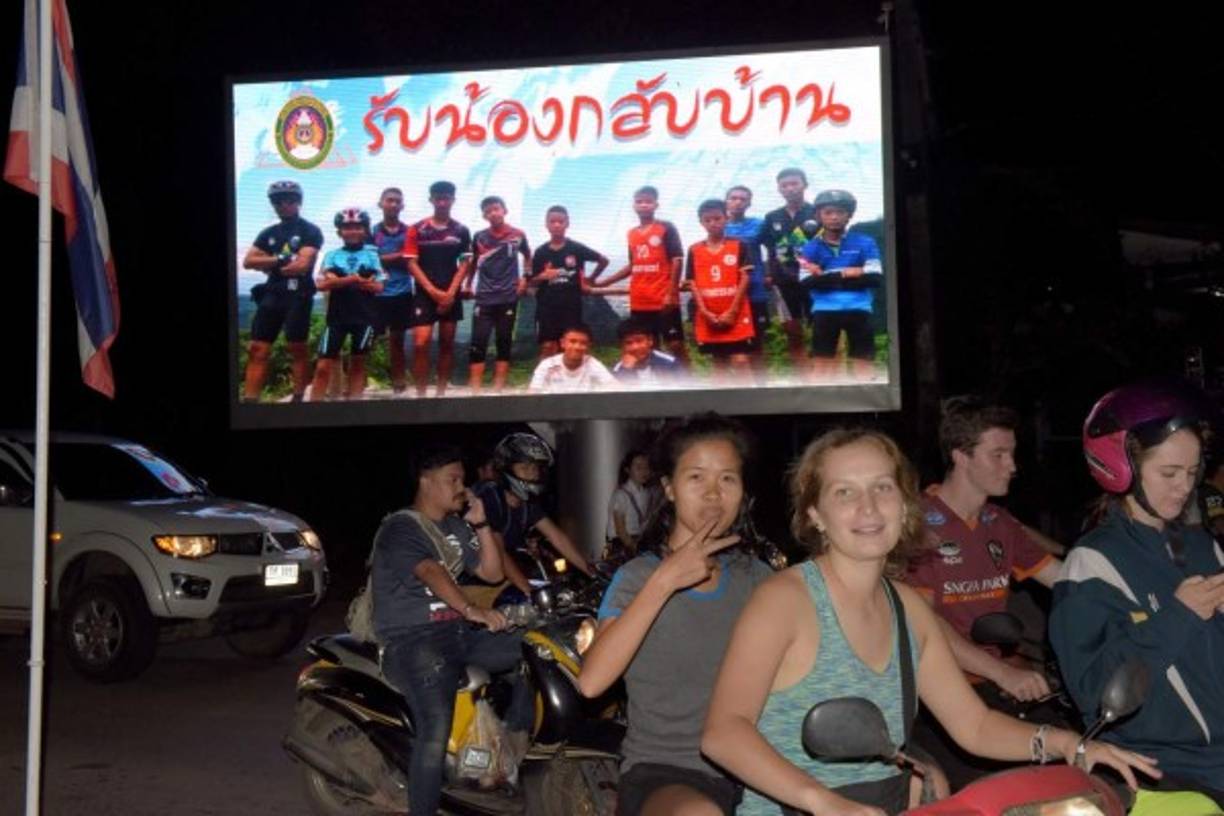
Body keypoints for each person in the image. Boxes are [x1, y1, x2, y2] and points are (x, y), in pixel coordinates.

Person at [702, 428, 1160, 816]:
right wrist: (822, 802)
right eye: (845, 493)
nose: (868, 507)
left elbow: (974, 725)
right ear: (816, 515)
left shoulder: (907, 607)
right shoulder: (784, 600)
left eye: (883, 488)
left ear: (904, 506)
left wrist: (1069, 745)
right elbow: (724, 732)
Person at [579, 414, 777, 816]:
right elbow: (592, 683)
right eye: (696, 478)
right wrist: (664, 581)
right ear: (668, 488)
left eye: (727, 479)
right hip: (668, 773)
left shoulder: (758, 578)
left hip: (757, 766)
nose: (712, 494)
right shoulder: (639, 577)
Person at [1050, 382, 1224, 806]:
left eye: (1191, 472)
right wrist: (1178, 615)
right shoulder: (1092, 563)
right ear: (1121, 465)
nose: (1184, 487)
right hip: (1166, 775)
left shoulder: (1203, 545)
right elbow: (1094, 691)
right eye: (1169, 473)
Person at [904, 396, 1067, 787]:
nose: (1012, 466)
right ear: (961, 456)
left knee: (1069, 768)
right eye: (999, 454)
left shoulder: (1000, 522)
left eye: (1012, 454)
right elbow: (923, 625)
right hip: (936, 697)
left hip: (996, 688)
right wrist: (1002, 672)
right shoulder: (917, 526)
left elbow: (1068, 580)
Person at [371, 443, 532, 816]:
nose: (462, 486)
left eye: (463, 478)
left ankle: (510, 741)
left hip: (457, 634)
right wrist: (471, 608)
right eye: (453, 479)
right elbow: (430, 571)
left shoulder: (457, 526)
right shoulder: (401, 526)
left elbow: (492, 572)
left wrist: (480, 522)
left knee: (535, 647)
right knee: (434, 730)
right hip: (413, 640)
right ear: (426, 482)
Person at [470, 432, 594, 598]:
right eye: (525, 468)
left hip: (502, 577)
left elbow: (557, 537)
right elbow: (499, 551)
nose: (532, 474)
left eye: (535, 468)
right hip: (477, 583)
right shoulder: (491, 498)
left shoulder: (527, 503)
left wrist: (592, 572)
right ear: (506, 467)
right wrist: (529, 590)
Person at [241, 180, 323, 402]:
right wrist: (280, 259)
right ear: (273, 204)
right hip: (272, 294)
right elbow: (248, 261)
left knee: (296, 347)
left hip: (298, 295)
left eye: (290, 200)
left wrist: (267, 263)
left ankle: (298, 398)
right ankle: (250, 402)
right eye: (278, 201)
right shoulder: (268, 232)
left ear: (299, 202)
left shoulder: (310, 230)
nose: (284, 204)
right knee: (257, 348)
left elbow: (301, 266)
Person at [591, 186, 688, 365]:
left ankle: (688, 382)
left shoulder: (666, 227)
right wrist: (602, 283)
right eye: (639, 201)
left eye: (648, 201)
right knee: (650, 347)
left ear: (656, 205)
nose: (644, 205)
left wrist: (672, 293)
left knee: (675, 344)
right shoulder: (632, 233)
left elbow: (677, 260)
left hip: (663, 299)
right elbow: (633, 265)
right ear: (634, 205)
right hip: (640, 300)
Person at [798, 189, 884, 380]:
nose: (834, 217)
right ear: (819, 215)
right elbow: (805, 282)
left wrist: (825, 276)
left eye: (840, 212)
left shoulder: (865, 242)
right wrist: (848, 273)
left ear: (849, 215)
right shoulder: (810, 247)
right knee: (822, 367)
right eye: (828, 212)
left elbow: (875, 278)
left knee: (864, 365)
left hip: (859, 309)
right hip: (824, 310)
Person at [405, 181, 472, 397]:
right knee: (421, 344)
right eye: (438, 197)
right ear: (431, 200)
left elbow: (465, 263)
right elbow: (411, 263)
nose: (442, 202)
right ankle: (421, 395)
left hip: (451, 294)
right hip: (425, 294)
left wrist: (451, 293)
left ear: (453, 200)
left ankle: (441, 394)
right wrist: (433, 292)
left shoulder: (461, 230)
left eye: (447, 197)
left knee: (446, 345)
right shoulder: (417, 229)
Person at [309, 208, 383, 401]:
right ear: (339, 231)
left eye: (357, 227)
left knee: (357, 364)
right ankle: (311, 410)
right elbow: (321, 284)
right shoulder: (331, 255)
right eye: (347, 227)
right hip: (337, 318)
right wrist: (355, 279)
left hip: (364, 316)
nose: (352, 231)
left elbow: (379, 287)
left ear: (365, 231)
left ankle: (354, 408)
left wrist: (338, 279)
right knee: (323, 365)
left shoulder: (372, 255)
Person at [685, 199, 756, 379]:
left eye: (717, 218)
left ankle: (750, 404)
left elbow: (745, 278)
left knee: (740, 361)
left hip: (736, 312)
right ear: (701, 222)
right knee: (719, 362)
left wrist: (732, 311)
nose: (713, 223)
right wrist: (704, 312)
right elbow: (692, 283)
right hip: (709, 314)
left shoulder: (739, 245)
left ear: (726, 218)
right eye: (707, 220)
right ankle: (721, 404)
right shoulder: (694, 250)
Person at [466, 196, 531, 392]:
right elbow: (472, 263)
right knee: (478, 343)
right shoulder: (479, 237)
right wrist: (468, 284)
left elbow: (528, 256)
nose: (493, 213)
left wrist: (525, 279)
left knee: (504, 343)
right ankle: (475, 392)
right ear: (484, 215)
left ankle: (497, 390)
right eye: (488, 211)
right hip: (484, 298)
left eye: (496, 209)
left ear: (504, 210)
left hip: (508, 298)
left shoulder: (518, 235)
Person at [529, 205, 609, 359]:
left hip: (571, 305)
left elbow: (603, 260)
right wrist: (542, 276)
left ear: (567, 223)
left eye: (561, 221)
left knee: (569, 346)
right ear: (546, 224)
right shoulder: (540, 251)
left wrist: (590, 279)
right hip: (546, 306)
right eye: (552, 221)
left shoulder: (576, 248)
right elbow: (532, 281)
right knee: (547, 346)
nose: (557, 225)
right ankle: (543, 380)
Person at [762, 168, 815, 365]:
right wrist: (768, 273)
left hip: (814, 279)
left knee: (822, 329)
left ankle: (826, 376)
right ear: (779, 189)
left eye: (794, 183)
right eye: (785, 185)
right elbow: (768, 247)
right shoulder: (772, 217)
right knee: (793, 331)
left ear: (805, 185)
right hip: (783, 281)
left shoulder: (818, 212)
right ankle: (803, 378)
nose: (790, 188)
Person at [723, 185, 770, 374]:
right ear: (726, 201)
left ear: (749, 203)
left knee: (757, 343)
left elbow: (773, 250)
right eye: (733, 198)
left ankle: (761, 386)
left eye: (743, 199)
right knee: (729, 343)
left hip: (755, 290)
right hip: (727, 291)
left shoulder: (759, 224)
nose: (737, 202)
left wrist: (770, 273)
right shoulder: (718, 224)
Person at [371, 187, 412, 393]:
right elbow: (370, 261)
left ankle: (399, 383)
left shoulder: (409, 232)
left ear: (402, 206)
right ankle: (358, 382)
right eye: (389, 200)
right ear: (381, 204)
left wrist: (386, 259)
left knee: (397, 340)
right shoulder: (372, 232)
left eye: (397, 201)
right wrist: (398, 256)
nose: (393, 204)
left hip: (402, 293)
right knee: (367, 339)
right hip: (376, 293)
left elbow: (412, 259)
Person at [527, 323, 615, 392]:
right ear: (562, 343)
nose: (577, 347)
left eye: (583, 343)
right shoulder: (547, 365)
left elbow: (614, 388)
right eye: (572, 342)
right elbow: (533, 393)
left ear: (588, 346)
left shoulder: (592, 364)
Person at [605, 449, 660, 559]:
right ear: (627, 470)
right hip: (622, 544)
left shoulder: (647, 493)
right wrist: (634, 548)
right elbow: (620, 529)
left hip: (637, 541)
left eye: (646, 467)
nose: (644, 471)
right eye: (639, 468)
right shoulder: (621, 494)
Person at [611, 316, 682, 386]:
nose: (635, 347)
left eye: (639, 341)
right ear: (622, 346)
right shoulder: (619, 369)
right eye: (628, 343)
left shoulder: (669, 363)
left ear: (650, 341)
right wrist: (626, 371)